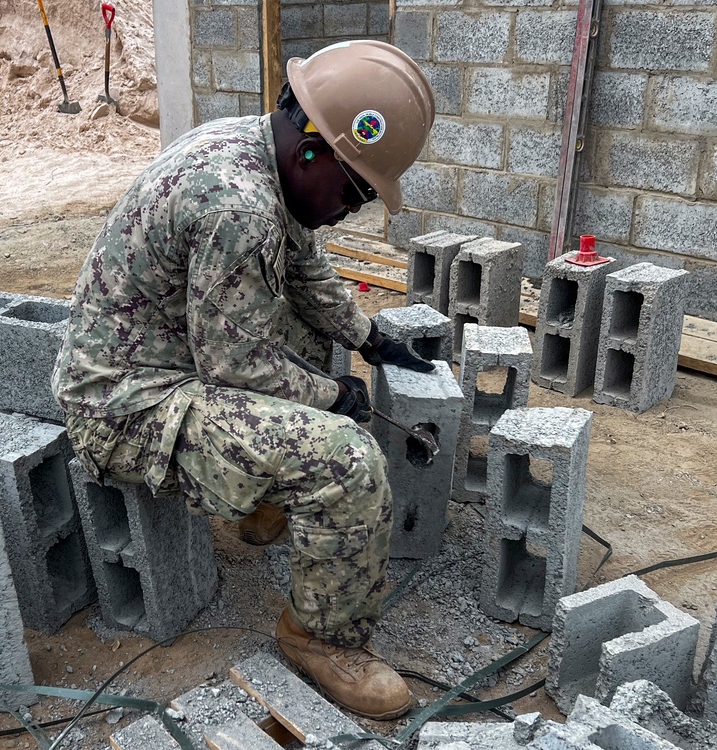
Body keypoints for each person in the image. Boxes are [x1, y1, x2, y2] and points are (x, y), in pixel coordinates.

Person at [51, 40, 436, 720]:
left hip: (167, 355)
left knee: (311, 338)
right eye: (355, 192)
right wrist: (334, 397)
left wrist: (369, 340)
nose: (352, 210)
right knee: (347, 463)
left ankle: (262, 492)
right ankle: (320, 637)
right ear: (314, 150)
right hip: (127, 404)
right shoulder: (239, 207)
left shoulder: (258, 151)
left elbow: (306, 271)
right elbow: (238, 367)